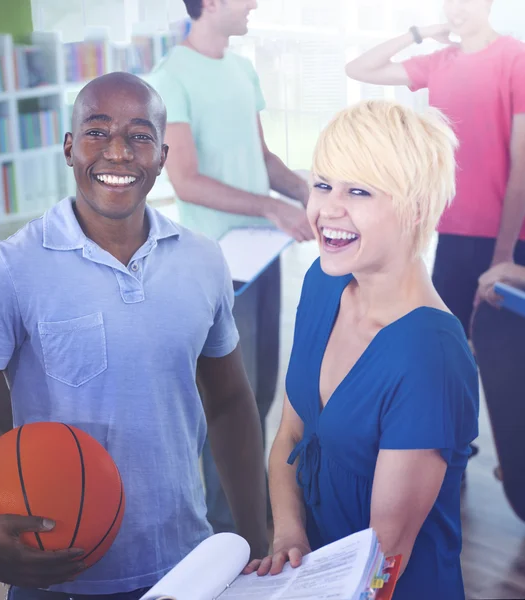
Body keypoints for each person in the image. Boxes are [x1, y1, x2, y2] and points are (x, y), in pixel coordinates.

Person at [0, 72, 268, 600]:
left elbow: (229, 401)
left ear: (162, 155)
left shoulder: (203, 260)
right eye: (97, 131)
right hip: (54, 571)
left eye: (139, 136)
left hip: (186, 565)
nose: (117, 152)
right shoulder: (11, 268)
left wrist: (257, 535)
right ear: (69, 148)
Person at [243, 100, 479, 600]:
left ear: (415, 208)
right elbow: (288, 434)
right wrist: (288, 533)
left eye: (359, 191)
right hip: (313, 578)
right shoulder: (323, 284)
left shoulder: (430, 359)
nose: (328, 208)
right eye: (323, 184)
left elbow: (383, 563)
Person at [147, 0, 313, 535]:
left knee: (263, 392)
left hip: (261, 256)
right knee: (228, 399)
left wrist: (316, 195)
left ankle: (247, 506)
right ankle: (228, 529)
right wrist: (269, 205)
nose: (254, 4)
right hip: (216, 268)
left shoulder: (241, 68)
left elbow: (262, 160)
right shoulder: (170, 77)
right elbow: (187, 180)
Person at [344, 0, 525, 340]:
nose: (455, 8)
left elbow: (522, 166)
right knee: (449, 346)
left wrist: (504, 255)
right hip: (453, 230)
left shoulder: (517, 58)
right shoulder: (440, 62)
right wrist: (420, 33)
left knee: (504, 357)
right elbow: (358, 68)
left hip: (508, 236)